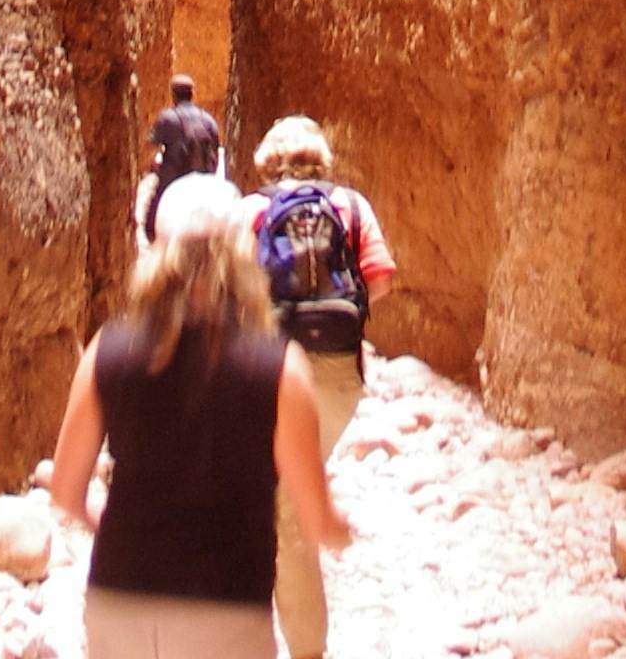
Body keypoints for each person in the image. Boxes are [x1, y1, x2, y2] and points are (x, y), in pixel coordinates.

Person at [51, 170, 353, 659]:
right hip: (225, 610)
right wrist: (345, 530)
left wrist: (115, 526)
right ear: (242, 256)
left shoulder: (105, 349)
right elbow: (316, 522)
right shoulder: (280, 367)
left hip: (119, 601)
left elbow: (66, 492)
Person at [240, 117, 395, 659]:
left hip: (270, 373)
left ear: (267, 160)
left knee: (281, 509)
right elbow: (379, 278)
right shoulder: (351, 206)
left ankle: (301, 648)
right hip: (335, 377)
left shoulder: (252, 210)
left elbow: (228, 289)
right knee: (285, 498)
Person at [136, 72, 228, 244]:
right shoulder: (208, 120)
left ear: (173, 95)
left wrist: (154, 167)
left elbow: (149, 148)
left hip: (173, 181)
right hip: (204, 181)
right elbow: (216, 150)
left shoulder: (167, 118)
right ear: (192, 94)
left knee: (151, 220)